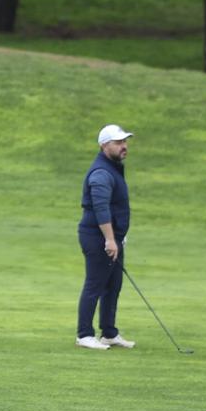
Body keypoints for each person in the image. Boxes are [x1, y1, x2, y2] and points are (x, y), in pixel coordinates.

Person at [76, 124, 136, 350]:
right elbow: (101, 208)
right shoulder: (101, 173)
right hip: (97, 237)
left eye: (125, 142)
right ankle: (84, 334)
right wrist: (110, 240)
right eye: (118, 143)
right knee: (95, 284)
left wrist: (120, 237)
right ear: (104, 146)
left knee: (113, 285)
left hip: (112, 237)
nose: (124, 146)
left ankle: (109, 333)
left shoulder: (113, 168)